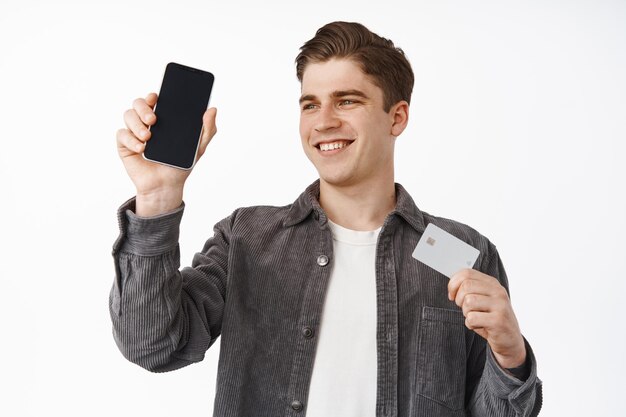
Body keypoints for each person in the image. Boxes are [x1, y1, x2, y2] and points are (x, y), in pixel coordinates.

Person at [111, 21, 542, 417]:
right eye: (310, 105)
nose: (324, 122)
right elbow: (152, 345)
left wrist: (510, 357)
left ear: (397, 117)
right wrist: (157, 198)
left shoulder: (458, 252)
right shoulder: (248, 238)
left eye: (347, 100)